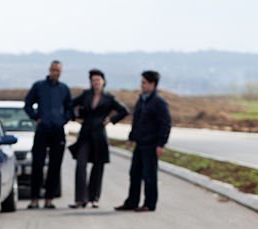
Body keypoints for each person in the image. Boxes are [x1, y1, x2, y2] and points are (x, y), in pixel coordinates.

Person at [68, 69, 129, 208]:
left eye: (98, 80)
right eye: (93, 80)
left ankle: (93, 198)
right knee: (80, 165)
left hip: (99, 135)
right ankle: (80, 199)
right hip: (85, 134)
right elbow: (70, 104)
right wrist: (75, 117)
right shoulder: (85, 95)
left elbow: (124, 111)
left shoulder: (109, 98)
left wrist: (111, 120)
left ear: (103, 81)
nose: (96, 83)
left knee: (98, 167)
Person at [115, 70, 172, 213]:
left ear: (153, 84)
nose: (142, 85)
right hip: (140, 144)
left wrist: (161, 144)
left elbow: (165, 124)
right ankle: (131, 202)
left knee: (149, 176)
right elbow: (137, 121)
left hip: (151, 145)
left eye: (144, 83)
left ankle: (149, 204)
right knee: (134, 174)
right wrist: (131, 137)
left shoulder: (159, 102)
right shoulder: (142, 100)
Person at [23, 60, 73, 209]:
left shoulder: (64, 89)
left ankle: (49, 199)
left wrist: (63, 120)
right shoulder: (39, 86)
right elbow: (27, 104)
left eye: (58, 71)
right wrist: (36, 117)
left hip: (57, 131)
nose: (55, 73)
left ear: (61, 72)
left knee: (55, 166)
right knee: (37, 165)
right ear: (49, 70)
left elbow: (70, 108)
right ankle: (34, 199)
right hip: (42, 130)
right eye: (53, 70)